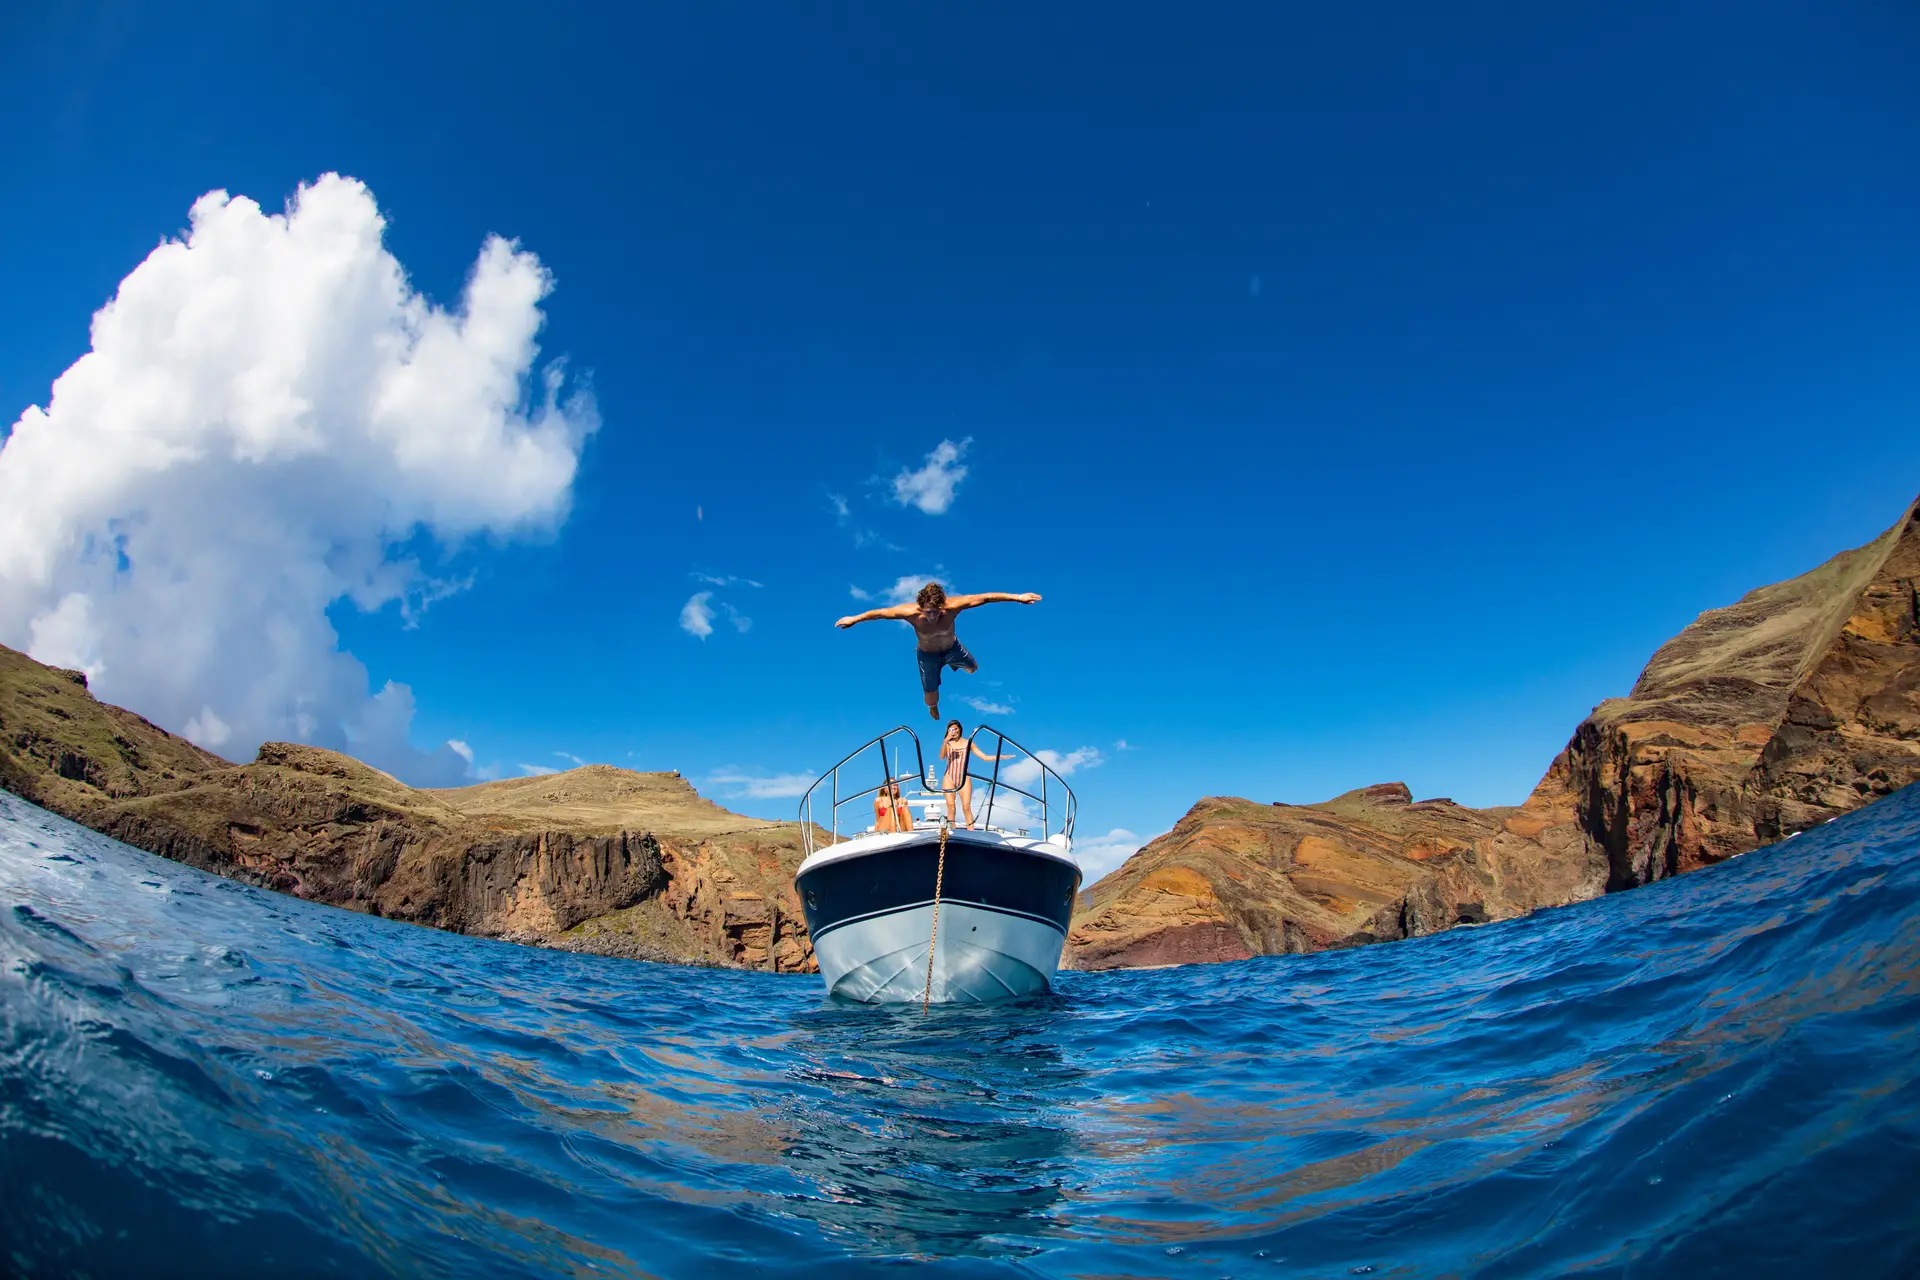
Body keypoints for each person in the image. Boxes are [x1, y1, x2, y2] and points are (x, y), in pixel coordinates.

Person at [834, 581, 1042, 718]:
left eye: (936, 612)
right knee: (930, 698)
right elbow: (879, 613)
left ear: (942, 605)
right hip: (928, 657)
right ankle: (933, 707)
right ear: (920, 608)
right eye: (928, 612)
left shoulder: (954, 605)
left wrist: (1017, 596)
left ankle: (955, 664)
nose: (932, 616)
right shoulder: (909, 612)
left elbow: (986, 597)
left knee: (973, 668)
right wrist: (854, 619)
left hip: (952, 648)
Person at [938, 719, 1002, 829]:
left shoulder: (968, 742)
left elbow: (984, 757)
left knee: (966, 806)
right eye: (951, 729)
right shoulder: (947, 743)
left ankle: (971, 832)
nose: (954, 731)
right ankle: (952, 831)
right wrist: (945, 740)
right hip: (949, 776)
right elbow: (941, 756)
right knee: (951, 806)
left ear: (960, 730)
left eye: (956, 729)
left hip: (964, 777)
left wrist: (1000, 757)